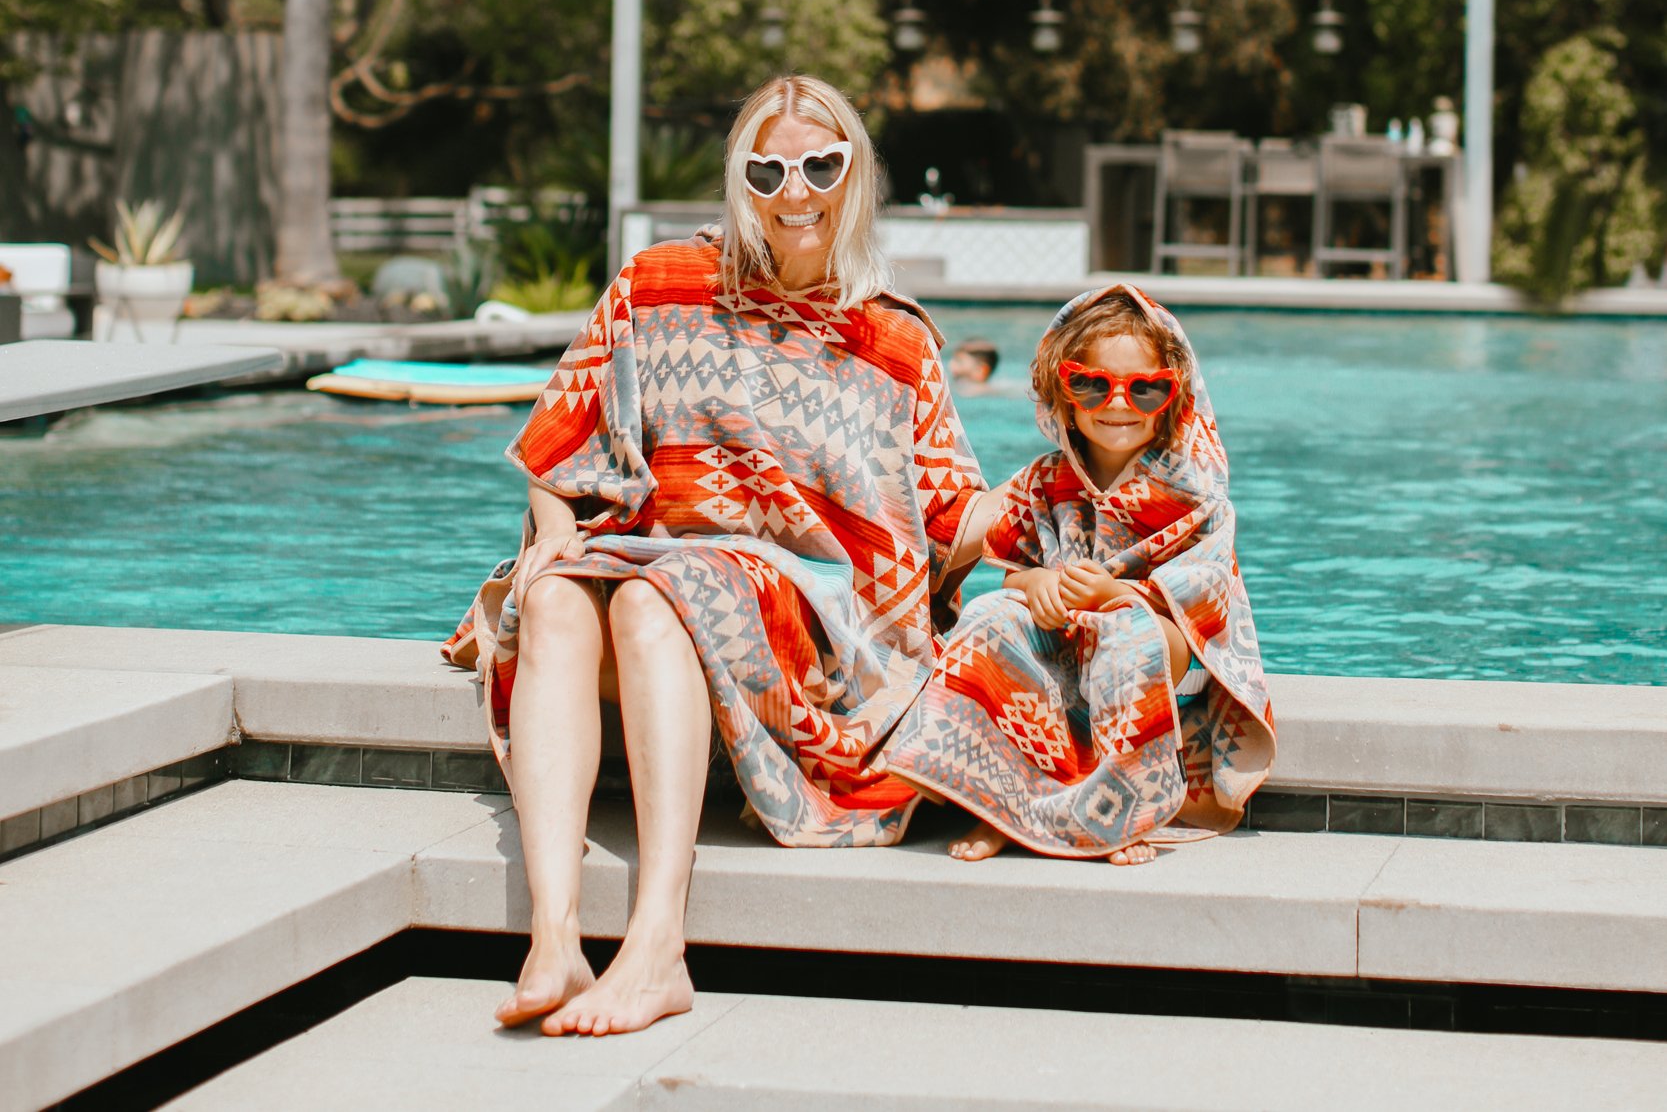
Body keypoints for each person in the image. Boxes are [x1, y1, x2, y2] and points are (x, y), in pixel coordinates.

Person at [443, 74, 989, 1039]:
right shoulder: (658, 283)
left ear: (855, 174)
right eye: (768, 168)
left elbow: (944, 516)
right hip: (657, 569)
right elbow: (557, 437)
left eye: (821, 165)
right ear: (740, 178)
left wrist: (1071, 519)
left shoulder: (895, 339)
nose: (795, 191)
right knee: (565, 598)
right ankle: (555, 936)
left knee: (659, 596)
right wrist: (556, 530)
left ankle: (656, 948)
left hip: (801, 617)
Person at [886, 279, 1274, 863]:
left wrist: (1120, 595)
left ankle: (1125, 811)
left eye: (1145, 390)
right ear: (1059, 390)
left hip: (1162, 651)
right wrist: (1036, 583)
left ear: (1174, 398)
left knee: (1128, 635)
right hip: (1065, 641)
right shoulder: (1045, 480)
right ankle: (1001, 807)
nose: (1118, 404)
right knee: (991, 615)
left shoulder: (1193, 494)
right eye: (1092, 384)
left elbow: (1210, 598)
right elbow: (1013, 570)